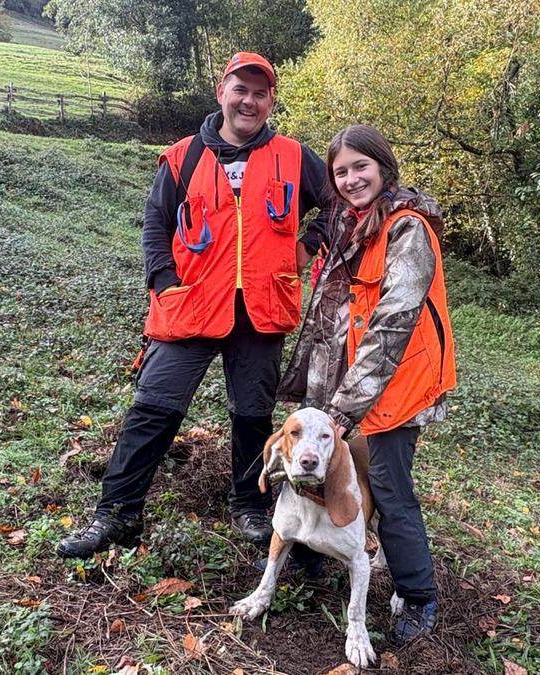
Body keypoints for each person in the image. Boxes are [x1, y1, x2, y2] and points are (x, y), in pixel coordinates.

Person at [57, 52, 334, 559]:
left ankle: (250, 506)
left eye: (260, 93)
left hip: (261, 309)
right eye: (240, 90)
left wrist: (310, 242)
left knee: (253, 415)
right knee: (153, 409)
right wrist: (164, 282)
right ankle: (116, 515)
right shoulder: (182, 156)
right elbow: (155, 226)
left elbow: (339, 200)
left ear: (271, 100)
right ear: (221, 92)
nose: (249, 101)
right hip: (190, 307)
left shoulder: (294, 155)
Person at [277, 124, 456, 645]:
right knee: (318, 466)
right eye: (341, 172)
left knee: (389, 487)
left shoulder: (407, 229)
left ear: (384, 167)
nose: (352, 179)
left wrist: (347, 405)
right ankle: (310, 554)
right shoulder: (354, 224)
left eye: (361, 167)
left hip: (398, 386)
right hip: (351, 378)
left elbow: (394, 320)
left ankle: (418, 597)